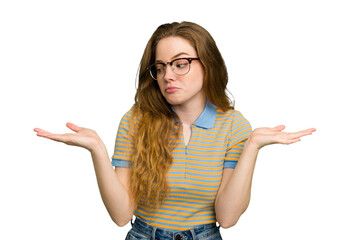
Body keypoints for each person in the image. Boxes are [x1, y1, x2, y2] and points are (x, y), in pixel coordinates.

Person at [34, 21, 316, 240]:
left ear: (209, 64)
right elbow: (121, 216)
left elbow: (227, 218)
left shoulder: (235, 125)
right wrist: (97, 149)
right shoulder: (135, 120)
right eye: (160, 67)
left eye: (181, 64)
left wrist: (253, 146)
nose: (168, 75)